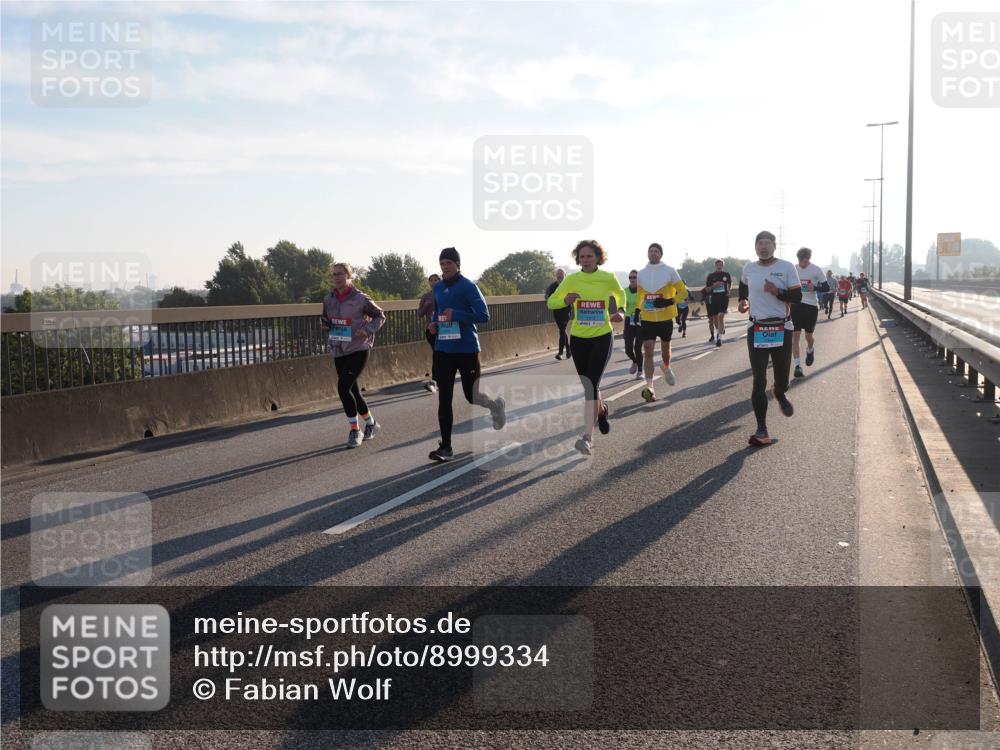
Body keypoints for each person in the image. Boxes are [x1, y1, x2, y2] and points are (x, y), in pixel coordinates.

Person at [547, 240, 625, 456]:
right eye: (582, 257)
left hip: (602, 336)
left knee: (591, 386)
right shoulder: (572, 280)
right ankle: (602, 410)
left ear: (598, 257)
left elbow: (620, 294)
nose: (585, 260)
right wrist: (565, 299)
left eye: (589, 256)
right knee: (589, 386)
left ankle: (587, 438)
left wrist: (621, 310)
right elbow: (551, 302)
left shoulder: (607, 277)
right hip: (579, 339)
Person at [427, 247, 506, 462]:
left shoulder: (468, 287)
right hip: (443, 350)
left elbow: (484, 315)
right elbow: (437, 311)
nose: (445, 267)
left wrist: (458, 315)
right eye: (442, 264)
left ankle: (495, 405)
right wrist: (433, 323)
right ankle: (446, 447)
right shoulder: (438, 288)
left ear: (458, 265)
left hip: (467, 350)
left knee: (471, 396)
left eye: (449, 263)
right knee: (444, 399)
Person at [738, 231, 801, 446]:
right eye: (759, 243)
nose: (763, 247)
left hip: (782, 327)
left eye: (767, 243)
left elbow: (797, 296)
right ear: (755, 247)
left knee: (782, 377)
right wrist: (743, 302)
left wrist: (777, 291)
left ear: (774, 246)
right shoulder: (749, 268)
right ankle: (761, 429)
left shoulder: (786, 267)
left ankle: (779, 391)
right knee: (758, 379)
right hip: (756, 328)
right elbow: (743, 287)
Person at [321, 263, 387, 449]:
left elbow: (380, 316)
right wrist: (325, 324)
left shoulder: (360, 298)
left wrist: (367, 329)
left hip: (358, 347)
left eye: (340, 274)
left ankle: (354, 430)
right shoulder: (328, 299)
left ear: (349, 276)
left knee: (343, 388)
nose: (336, 278)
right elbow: (326, 318)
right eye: (333, 274)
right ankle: (372, 423)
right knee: (354, 392)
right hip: (338, 347)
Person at [636, 242, 687, 403]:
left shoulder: (670, 271)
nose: (653, 253)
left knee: (665, 352)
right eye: (650, 250)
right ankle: (650, 387)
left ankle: (665, 366)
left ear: (661, 254)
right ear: (647, 254)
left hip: (665, 318)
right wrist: (637, 309)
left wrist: (668, 301)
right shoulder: (641, 273)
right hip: (648, 318)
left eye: (656, 251)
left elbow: (683, 292)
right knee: (648, 350)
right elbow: (640, 296)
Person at [790, 247, 829, 378]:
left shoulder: (816, 270)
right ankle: (797, 366)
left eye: (804, 261)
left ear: (809, 259)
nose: (802, 264)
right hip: (796, 305)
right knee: (795, 336)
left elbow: (826, 287)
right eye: (800, 261)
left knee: (808, 336)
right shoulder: (793, 268)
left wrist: (815, 287)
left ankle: (810, 349)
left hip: (811, 306)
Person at [417, 273, 441, 392]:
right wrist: (426, 306)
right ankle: (435, 381)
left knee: (440, 354)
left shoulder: (445, 293)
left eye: (436, 280)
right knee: (437, 353)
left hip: (444, 328)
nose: (433, 282)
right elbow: (419, 314)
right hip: (430, 329)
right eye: (431, 280)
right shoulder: (426, 296)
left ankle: (438, 379)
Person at [704, 259, 732, 347]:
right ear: (715, 266)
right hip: (714, 299)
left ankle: (719, 338)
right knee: (715, 318)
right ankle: (719, 331)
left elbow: (729, 284)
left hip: (724, 298)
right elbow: (707, 289)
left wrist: (728, 290)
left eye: (721, 265)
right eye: (717, 265)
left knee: (721, 316)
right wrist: (714, 286)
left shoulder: (726, 275)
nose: (719, 266)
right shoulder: (711, 276)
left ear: (723, 266)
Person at [544, 268, 571, 360]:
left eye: (561, 274)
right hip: (556, 311)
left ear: (565, 275)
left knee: (562, 329)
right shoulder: (552, 286)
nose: (559, 275)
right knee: (562, 330)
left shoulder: (568, 285)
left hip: (566, 310)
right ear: (556, 276)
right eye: (558, 274)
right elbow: (547, 296)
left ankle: (560, 352)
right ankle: (568, 349)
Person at [622, 269, 644, 378]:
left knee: (637, 348)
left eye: (634, 277)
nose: (632, 279)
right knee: (628, 349)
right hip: (628, 321)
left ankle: (640, 370)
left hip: (641, 321)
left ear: (638, 279)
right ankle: (635, 361)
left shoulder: (643, 290)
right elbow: (621, 304)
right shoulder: (625, 291)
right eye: (630, 277)